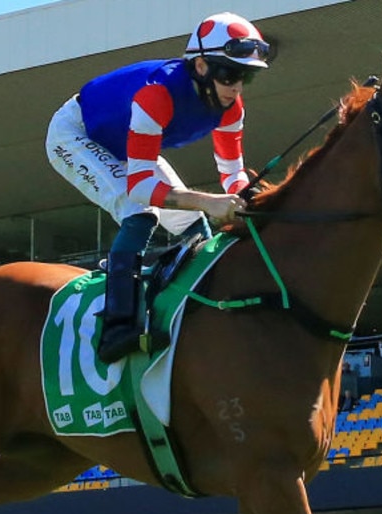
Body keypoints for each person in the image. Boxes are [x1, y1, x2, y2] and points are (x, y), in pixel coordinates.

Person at [45, 12, 270, 363]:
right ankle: (117, 328)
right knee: (141, 214)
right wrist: (209, 201)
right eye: (229, 74)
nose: (237, 87)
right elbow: (140, 187)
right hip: (75, 135)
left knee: (195, 225)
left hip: (125, 145)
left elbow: (232, 176)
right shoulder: (157, 95)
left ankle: (195, 306)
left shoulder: (231, 108)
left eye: (246, 77)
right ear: (200, 67)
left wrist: (246, 197)